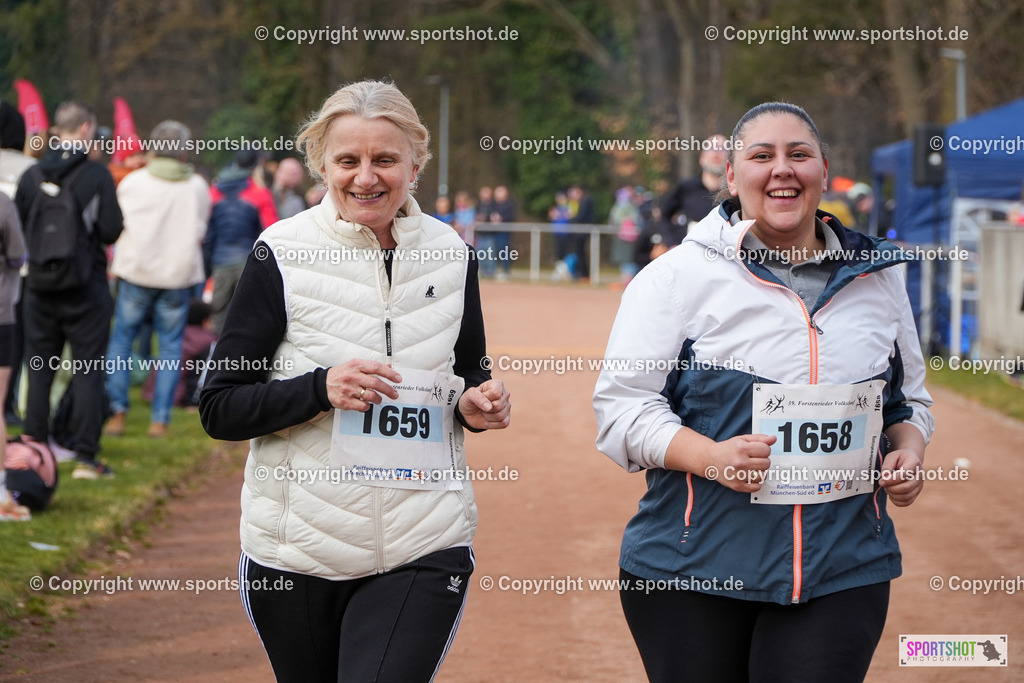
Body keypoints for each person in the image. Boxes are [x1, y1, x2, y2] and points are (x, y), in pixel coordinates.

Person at [593, 102, 934, 682]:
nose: (783, 169)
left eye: (799, 155)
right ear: (731, 176)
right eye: (762, 156)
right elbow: (621, 411)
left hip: (843, 569)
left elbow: (906, 403)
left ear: (824, 171)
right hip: (691, 572)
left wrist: (910, 450)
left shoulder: (881, 277)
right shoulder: (675, 278)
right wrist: (710, 458)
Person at [199, 79, 511, 682]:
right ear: (322, 164)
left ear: (415, 163)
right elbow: (220, 408)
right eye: (348, 160)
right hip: (297, 551)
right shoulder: (279, 253)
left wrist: (478, 403)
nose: (366, 177)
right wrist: (320, 390)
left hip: (424, 542)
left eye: (385, 160)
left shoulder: (452, 254)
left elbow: (469, 371)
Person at [14, 101, 123, 479]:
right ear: (87, 129)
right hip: (86, 287)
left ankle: (35, 450)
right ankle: (85, 458)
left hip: (39, 287)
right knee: (87, 371)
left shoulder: (31, 174)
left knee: (39, 368)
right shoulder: (96, 175)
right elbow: (110, 229)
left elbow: (20, 224)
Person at [105, 121, 210, 439]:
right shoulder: (197, 186)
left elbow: (117, 226)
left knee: (121, 341)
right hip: (176, 276)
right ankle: (159, 421)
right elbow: (201, 231)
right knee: (170, 347)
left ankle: (117, 414)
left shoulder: (133, 182)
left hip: (136, 271)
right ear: (183, 149)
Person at [204, 149, 279, 334]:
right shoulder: (260, 192)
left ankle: (215, 359)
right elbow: (273, 232)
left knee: (217, 317)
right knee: (247, 318)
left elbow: (206, 230)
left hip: (219, 263)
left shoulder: (214, 191)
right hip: (249, 264)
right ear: (256, 165)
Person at [636, 134, 728, 268]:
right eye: (711, 148)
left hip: (724, 261)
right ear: (702, 158)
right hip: (690, 262)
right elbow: (663, 215)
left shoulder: (737, 192)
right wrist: (671, 243)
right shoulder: (686, 188)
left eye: (723, 148)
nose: (716, 153)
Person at [608, 186, 641, 287]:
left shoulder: (629, 207)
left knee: (629, 260)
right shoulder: (627, 207)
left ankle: (629, 279)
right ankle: (627, 279)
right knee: (626, 260)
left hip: (629, 238)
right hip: (623, 238)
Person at [488, 185, 515, 281]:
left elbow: (511, 216)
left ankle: (505, 270)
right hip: (494, 232)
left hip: (504, 232)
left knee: (504, 250)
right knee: (494, 251)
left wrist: (501, 219)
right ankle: (494, 270)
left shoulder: (509, 204)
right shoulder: (493, 205)